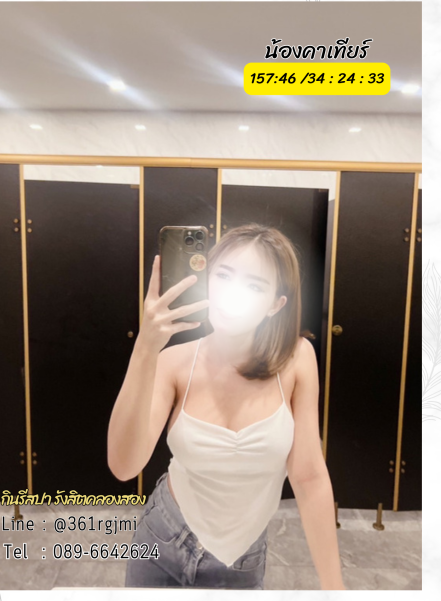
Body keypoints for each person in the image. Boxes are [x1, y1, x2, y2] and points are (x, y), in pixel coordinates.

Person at [108, 223, 345, 590]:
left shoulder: (297, 360)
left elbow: (309, 476)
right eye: (223, 275)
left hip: (241, 559)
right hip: (162, 539)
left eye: (255, 285)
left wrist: (335, 588)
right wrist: (145, 347)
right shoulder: (174, 363)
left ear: (275, 304)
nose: (234, 293)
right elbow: (124, 466)